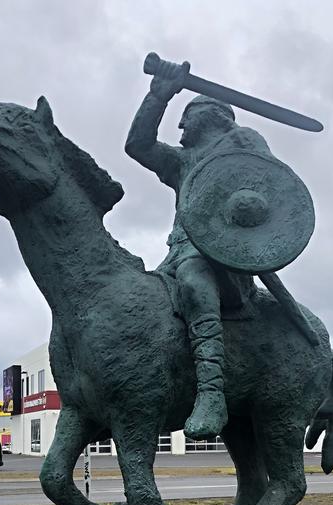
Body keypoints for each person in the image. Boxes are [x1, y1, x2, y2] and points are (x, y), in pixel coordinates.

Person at [125, 63, 271, 440]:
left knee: (193, 278)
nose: (179, 126)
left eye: (186, 117)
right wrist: (159, 95)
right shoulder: (180, 161)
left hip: (223, 262)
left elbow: (271, 187)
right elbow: (138, 145)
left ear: (211, 114)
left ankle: (212, 393)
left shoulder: (243, 141)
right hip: (175, 256)